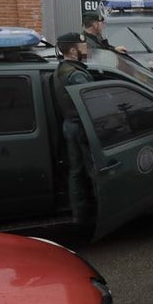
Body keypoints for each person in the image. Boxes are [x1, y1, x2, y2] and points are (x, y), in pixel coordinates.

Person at [53, 33, 94, 225]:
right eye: (82, 45)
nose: (86, 48)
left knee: (76, 170)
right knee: (94, 170)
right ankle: (95, 210)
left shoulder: (61, 69)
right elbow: (91, 103)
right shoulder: (77, 74)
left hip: (69, 125)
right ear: (72, 50)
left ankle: (79, 212)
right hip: (81, 128)